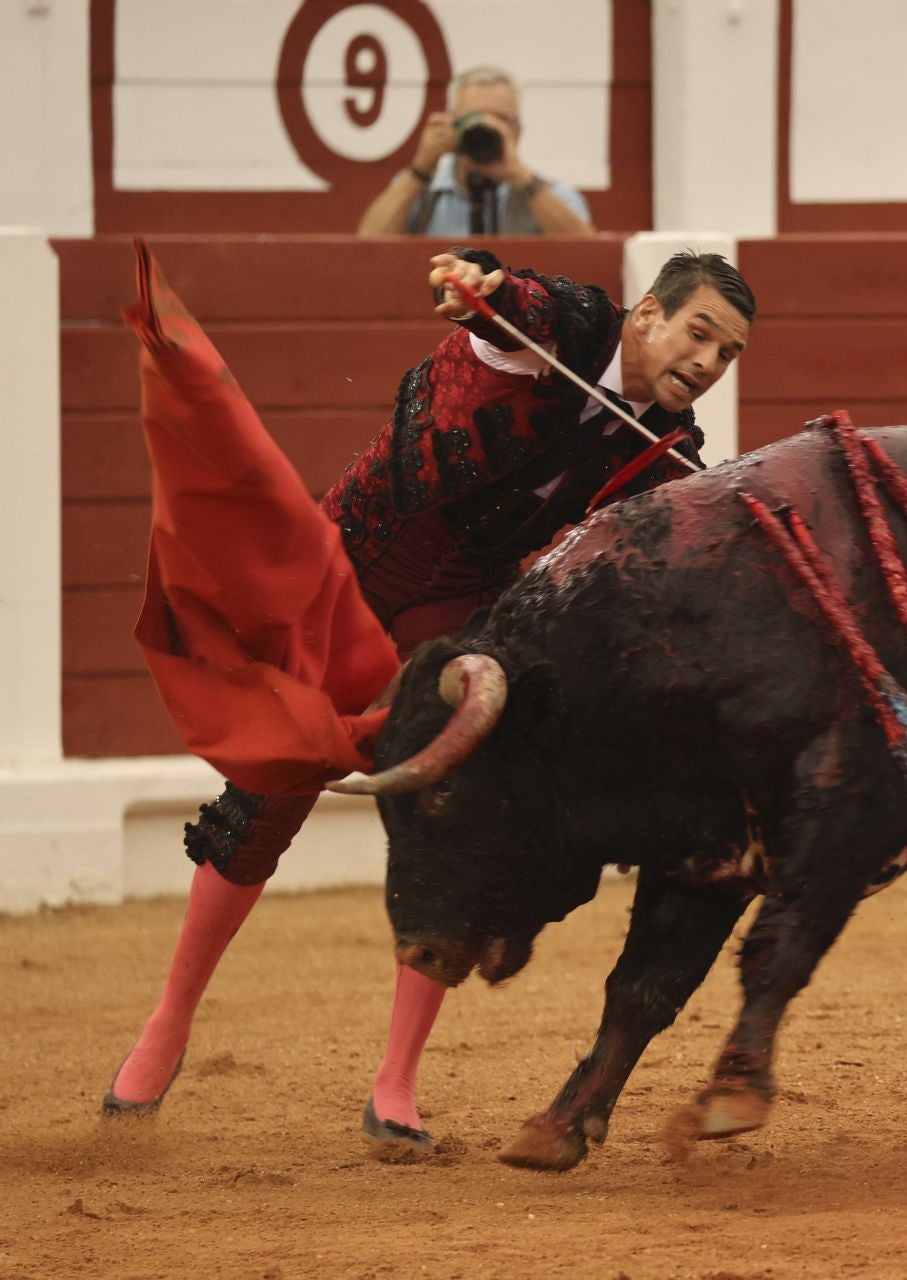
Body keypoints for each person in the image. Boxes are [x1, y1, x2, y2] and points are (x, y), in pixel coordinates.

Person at [102, 244, 755, 1157]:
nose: (710, 362)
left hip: (454, 621)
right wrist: (482, 283)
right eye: (700, 333)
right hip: (349, 572)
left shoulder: (664, 452)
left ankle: (395, 1083)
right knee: (268, 792)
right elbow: (512, 303)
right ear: (647, 315)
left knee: (460, 816)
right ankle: (166, 1026)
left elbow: (694, 529)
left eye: (728, 353)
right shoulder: (567, 327)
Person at [356, 66, 594, 237]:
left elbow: (587, 255)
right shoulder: (421, 189)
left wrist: (520, 177)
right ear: (451, 124)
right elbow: (367, 247)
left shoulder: (548, 195)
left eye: (499, 119)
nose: (486, 128)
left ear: (517, 131)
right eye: (473, 118)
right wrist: (421, 168)